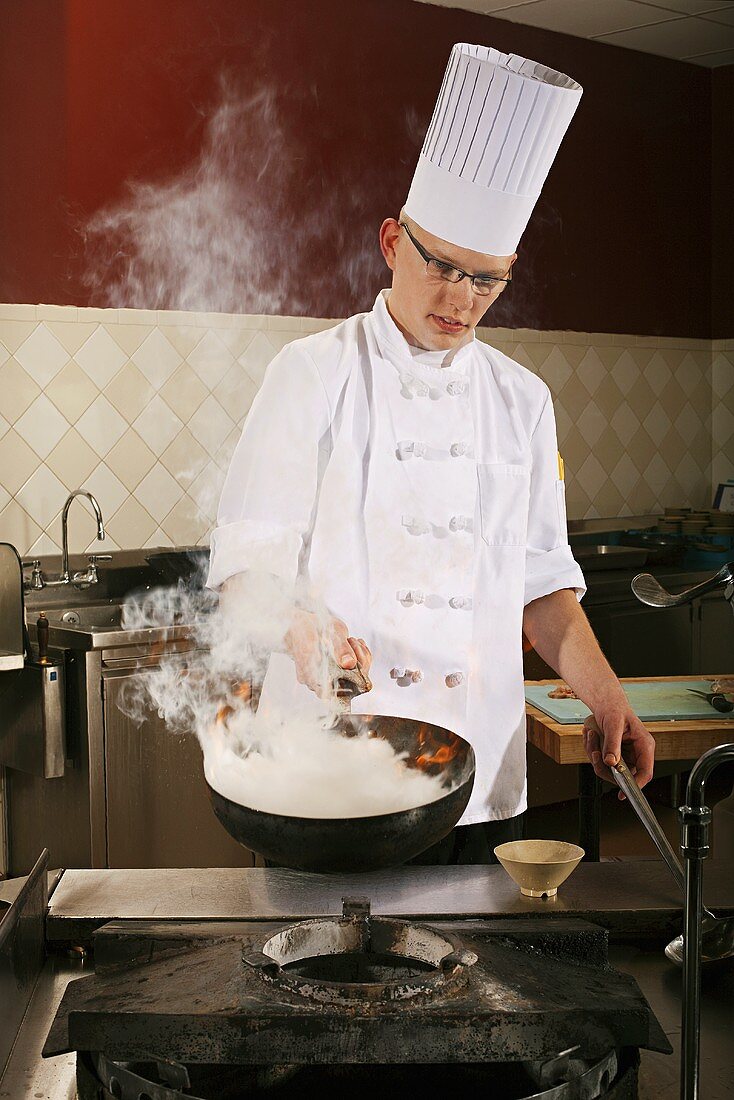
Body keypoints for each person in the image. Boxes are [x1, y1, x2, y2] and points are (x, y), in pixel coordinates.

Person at [208, 44, 655, 863]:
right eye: (443, 267)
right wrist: (303, 630)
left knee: (472, 983)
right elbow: (247, 569)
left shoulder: (523, 403)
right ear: (390, 242)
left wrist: (605, 692)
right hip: (331, 770)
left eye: (486, 280)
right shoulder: (312, 374)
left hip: (475, 779)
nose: (460, 298)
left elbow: (541, 588)